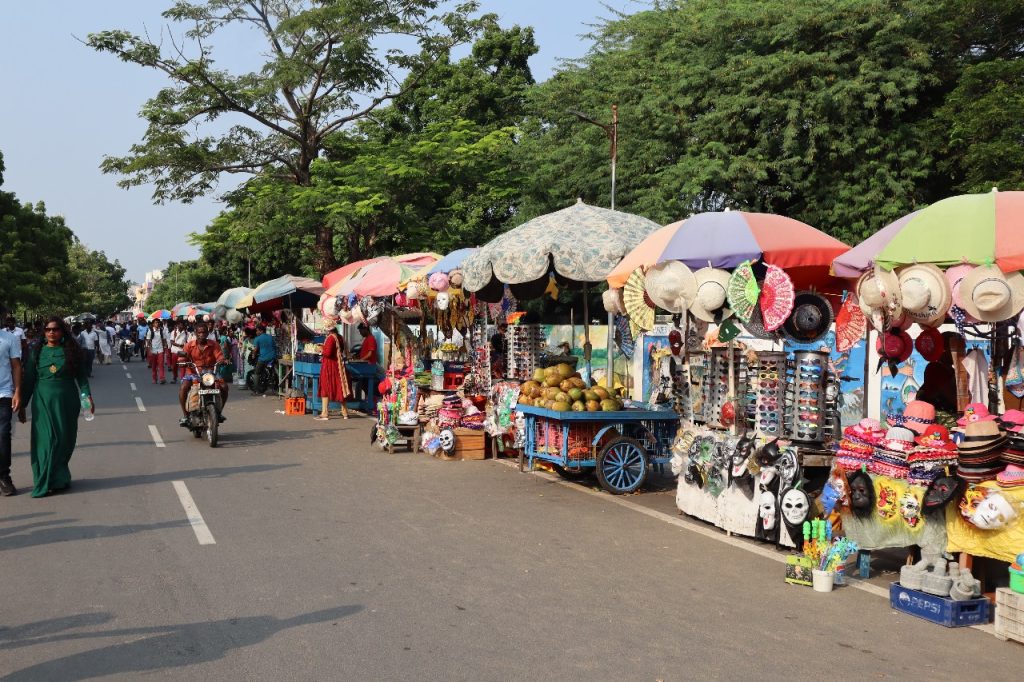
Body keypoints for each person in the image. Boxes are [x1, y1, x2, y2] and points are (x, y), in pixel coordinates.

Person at [17, 317, 91, 498]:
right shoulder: (36, 351)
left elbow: (81, 379)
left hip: (67, 401)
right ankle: (44, 480)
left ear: (62, 331)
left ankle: (59, 477)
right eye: (48, 330)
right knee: (46, 441)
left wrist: (86, 397)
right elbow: (28, 381)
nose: (52, 333)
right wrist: (22, 405)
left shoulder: (72, 351)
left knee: (64, 441)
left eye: (56, 329)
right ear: (44, 332)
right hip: (42, 401)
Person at [177, 323, 227, 426]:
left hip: (211, 373)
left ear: (207, 333)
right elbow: (182, 357)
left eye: (204, 332)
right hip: (193, 373)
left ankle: (219, 412)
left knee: (224, 387)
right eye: (199, 332)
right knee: (183, 388)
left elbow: (219, 356)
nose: (201, 334)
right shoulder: (189, 345)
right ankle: (186, 416)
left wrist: (222, 360)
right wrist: (182, 361)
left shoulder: (214, 344)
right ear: (195, 333)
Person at [0, 323, 22, 496]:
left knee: (3, 435)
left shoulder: (10, 339)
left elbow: (16, 366)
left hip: (4, 394)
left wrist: (17, 392)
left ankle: (4, 477)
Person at [315, 326, 349, 420]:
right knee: (340, 387)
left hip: (329, 365)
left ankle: (325, 413)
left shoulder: (330, 338)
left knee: (325, 387)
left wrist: (321, 349)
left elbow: (328, 353)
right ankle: (344, 412)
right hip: (338, 365)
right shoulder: (340, 337)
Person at [250, 324, 277, 394]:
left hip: (263, 358)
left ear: (261, 331)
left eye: (257, 330)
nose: (256, 332)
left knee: (256, 372)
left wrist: (253, 355)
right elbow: (274, 346)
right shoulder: (270, 337)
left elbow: (255, 349)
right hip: (273, 357)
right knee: (273, 371)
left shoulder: (257, 338)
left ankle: (256, 390)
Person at [146, 319, 169, 384]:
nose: (157, 324)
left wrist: (165, 346)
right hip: (153, 350)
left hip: (160, 349)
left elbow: (164, 339)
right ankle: (154, 378)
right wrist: (149, 350)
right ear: (153, 324)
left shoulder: (161, 331)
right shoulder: (150, 331)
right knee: (154, 365)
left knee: (161, 364)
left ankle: (162, 378)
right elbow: (148, 341)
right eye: (156, 323)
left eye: (158, 323)